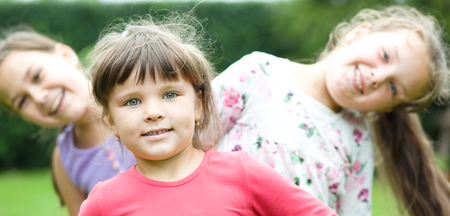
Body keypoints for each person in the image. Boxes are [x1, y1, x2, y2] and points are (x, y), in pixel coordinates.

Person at [78, 11, 338, 216]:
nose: (153, 112)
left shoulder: (243, 173)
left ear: (198, 106)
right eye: (132, 101)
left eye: (170, 95)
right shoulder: (103, 203)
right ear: (111, 122)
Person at [213, 5, 450, 216]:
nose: (378, 76)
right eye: (385, 55)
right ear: (358, 33)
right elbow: (188, 141)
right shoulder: (258, 74)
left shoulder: (356, 144)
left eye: (392, 87)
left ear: (385, 108)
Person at [0, 29, 136, 216]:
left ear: (66, 55)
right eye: (23, 101)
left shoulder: (145, 106)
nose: (38, 97)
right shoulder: (64, 159)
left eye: (37, 76)